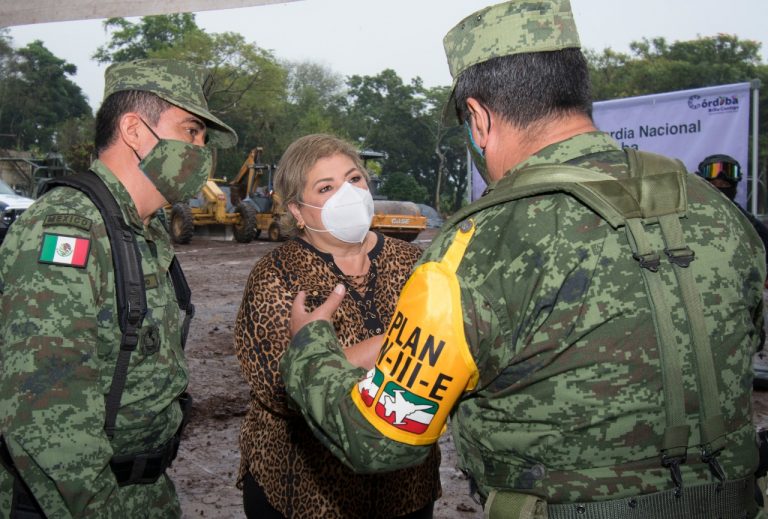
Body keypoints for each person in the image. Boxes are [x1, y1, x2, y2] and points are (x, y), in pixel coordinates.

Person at [279, 2, 768, 518]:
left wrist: (310, 346)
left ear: (479, 119)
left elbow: (379, 438)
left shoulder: (477, 247)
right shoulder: (714, 208)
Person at [0, 59, 237, 517]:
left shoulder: (141, 229)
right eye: (191, 131)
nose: (201, 150)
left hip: (143, 493)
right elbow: (47, 421)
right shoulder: (68, 232)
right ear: (134, 129)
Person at [234, 133, 441, 518]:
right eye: (326, 187)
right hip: (306, 491)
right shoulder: (277, 275)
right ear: (297, 210)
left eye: (354, 179)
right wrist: (395, 344)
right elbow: (281, 389)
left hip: (405, 487)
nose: (348, 194)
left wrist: (333, 356)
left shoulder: (417, 263)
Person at [696, 153, 768, 274]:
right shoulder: (689, 213)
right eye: (714, 185)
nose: (719, 189)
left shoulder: (745, 220)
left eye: (724, 185)